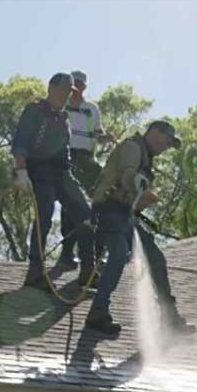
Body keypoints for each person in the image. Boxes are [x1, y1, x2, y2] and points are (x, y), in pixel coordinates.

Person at [84, 121, 195, 334]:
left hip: (125, 215)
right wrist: (139, 186)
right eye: (167, 140)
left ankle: (170, 319)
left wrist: (143, 198)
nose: (167, 147)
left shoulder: (145, 156)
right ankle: (98, 311)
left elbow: (132, 193)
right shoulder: (133, 147)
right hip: (109, 211)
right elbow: (127, 175)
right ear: (154, 132)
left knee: (156, 259)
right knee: (118, 253)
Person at [11, 72, 97, 289]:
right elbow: (21, 141)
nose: (66, 95)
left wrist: (75, 183)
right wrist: (21, 171)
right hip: (39, 172)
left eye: (69, 92)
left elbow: (64, 154)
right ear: (51, 88)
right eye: (63, 91)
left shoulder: (64, 119)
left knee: (85, 215)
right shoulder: (34, 110)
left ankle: (89, 270)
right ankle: (35, 273)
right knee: (44, 217)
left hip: (61, 173)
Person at [56, 70, 113, 271]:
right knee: (70, 202)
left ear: (84, 87)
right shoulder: (61, 106)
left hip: (86, 159)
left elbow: (98, 133)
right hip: (66, 156)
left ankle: (95, 251)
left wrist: (106, 138)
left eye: (80, 84)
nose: (76, 87)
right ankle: (67, 252)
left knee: (102, 196)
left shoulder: (91, 109)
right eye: (74, 83)